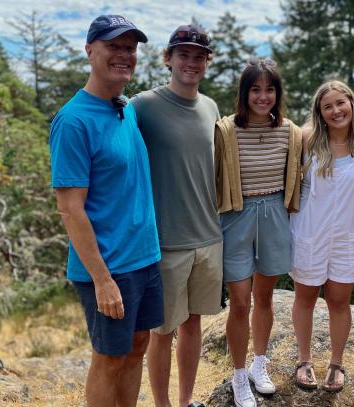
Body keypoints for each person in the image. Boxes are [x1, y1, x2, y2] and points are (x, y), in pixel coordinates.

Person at [48, 15, 162, 407]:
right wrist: (102, 280)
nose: (124, 55)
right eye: (114, 46)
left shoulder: (124, 108)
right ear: (90, 50)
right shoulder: (73, 120)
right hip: (108, 266)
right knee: (110, 357)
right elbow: (69, 209)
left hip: (143, 257)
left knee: (138, 345)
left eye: (130, 48)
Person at [132, 24, 222, 407]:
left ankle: (185, 402)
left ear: (207, 63)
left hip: (208, 236)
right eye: (183, 54)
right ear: (167, 58)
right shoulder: (142, 106)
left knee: (193, 324)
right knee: (161, 332)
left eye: (199, 56)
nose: (191, 62)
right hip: (166, 241)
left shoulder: (211, 107)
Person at [214, 58, 303, 407]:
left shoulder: (291, 132)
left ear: (277, 93)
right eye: (255, 89)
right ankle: (238, 376)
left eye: (269, 89)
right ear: (244, 92)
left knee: (264, 298)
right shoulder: (226, 131)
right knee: (239, 301)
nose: (263, 96)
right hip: (236, 216)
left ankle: (258, 364)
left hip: (276, 215)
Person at [290, 80, 354, 393]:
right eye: (328, 106)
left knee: (340, 301)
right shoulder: (307, 138)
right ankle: (304, 359)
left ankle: (336, 363)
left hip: (346, 236)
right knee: (306, 297)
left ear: (352, 104)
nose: (336, 111)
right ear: (320, 113)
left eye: (341, 103)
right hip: (309, 231)